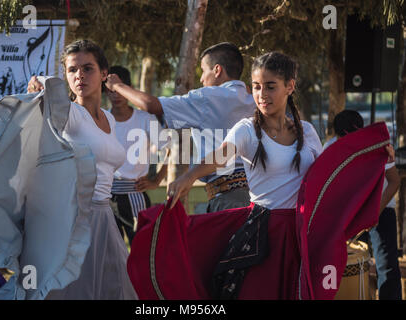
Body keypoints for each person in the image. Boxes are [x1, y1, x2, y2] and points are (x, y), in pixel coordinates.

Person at [126, 51, 394, 300]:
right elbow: (219, 156)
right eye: (256, 86)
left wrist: (374, 156)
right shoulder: (246, 130)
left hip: (302, 234)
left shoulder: (308, 132)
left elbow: (330, 176)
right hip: (262, 234)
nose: (261, 94)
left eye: (270, 86)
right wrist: (187, 177)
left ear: (290, 86)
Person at [28, 39, 137, 300]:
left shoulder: (109, 118)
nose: (79, 76)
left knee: (116, 289)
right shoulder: (69, 113)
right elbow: (47, 86)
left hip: (104, 218)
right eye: (72, 70)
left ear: (104, 74)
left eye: (88, 68)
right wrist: (38, 81)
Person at [106, 42, 255, 212]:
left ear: (217, 70)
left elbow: (152, 105)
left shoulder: (207, 98)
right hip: (257, 193)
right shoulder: (254, 99)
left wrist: (118, 86)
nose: (201, 79)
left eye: (204, 71)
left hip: (228, 199)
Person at [330, 109, 401, 300]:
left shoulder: (379, 147)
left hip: (381, 208)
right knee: (340, 260)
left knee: (386, 266)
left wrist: (374, 213)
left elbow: (394, 182)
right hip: (350, 211)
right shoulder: (331, 149)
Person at [107, 65, 167, 244]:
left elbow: (171, 150)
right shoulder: (101, 119)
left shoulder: (145, 119)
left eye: (120, 89)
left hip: (135, 195)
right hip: (105, 195)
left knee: (141, 248)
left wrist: (156, 180)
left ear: (129, 89)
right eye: (111, 90)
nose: (116, 95)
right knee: (111, 254)